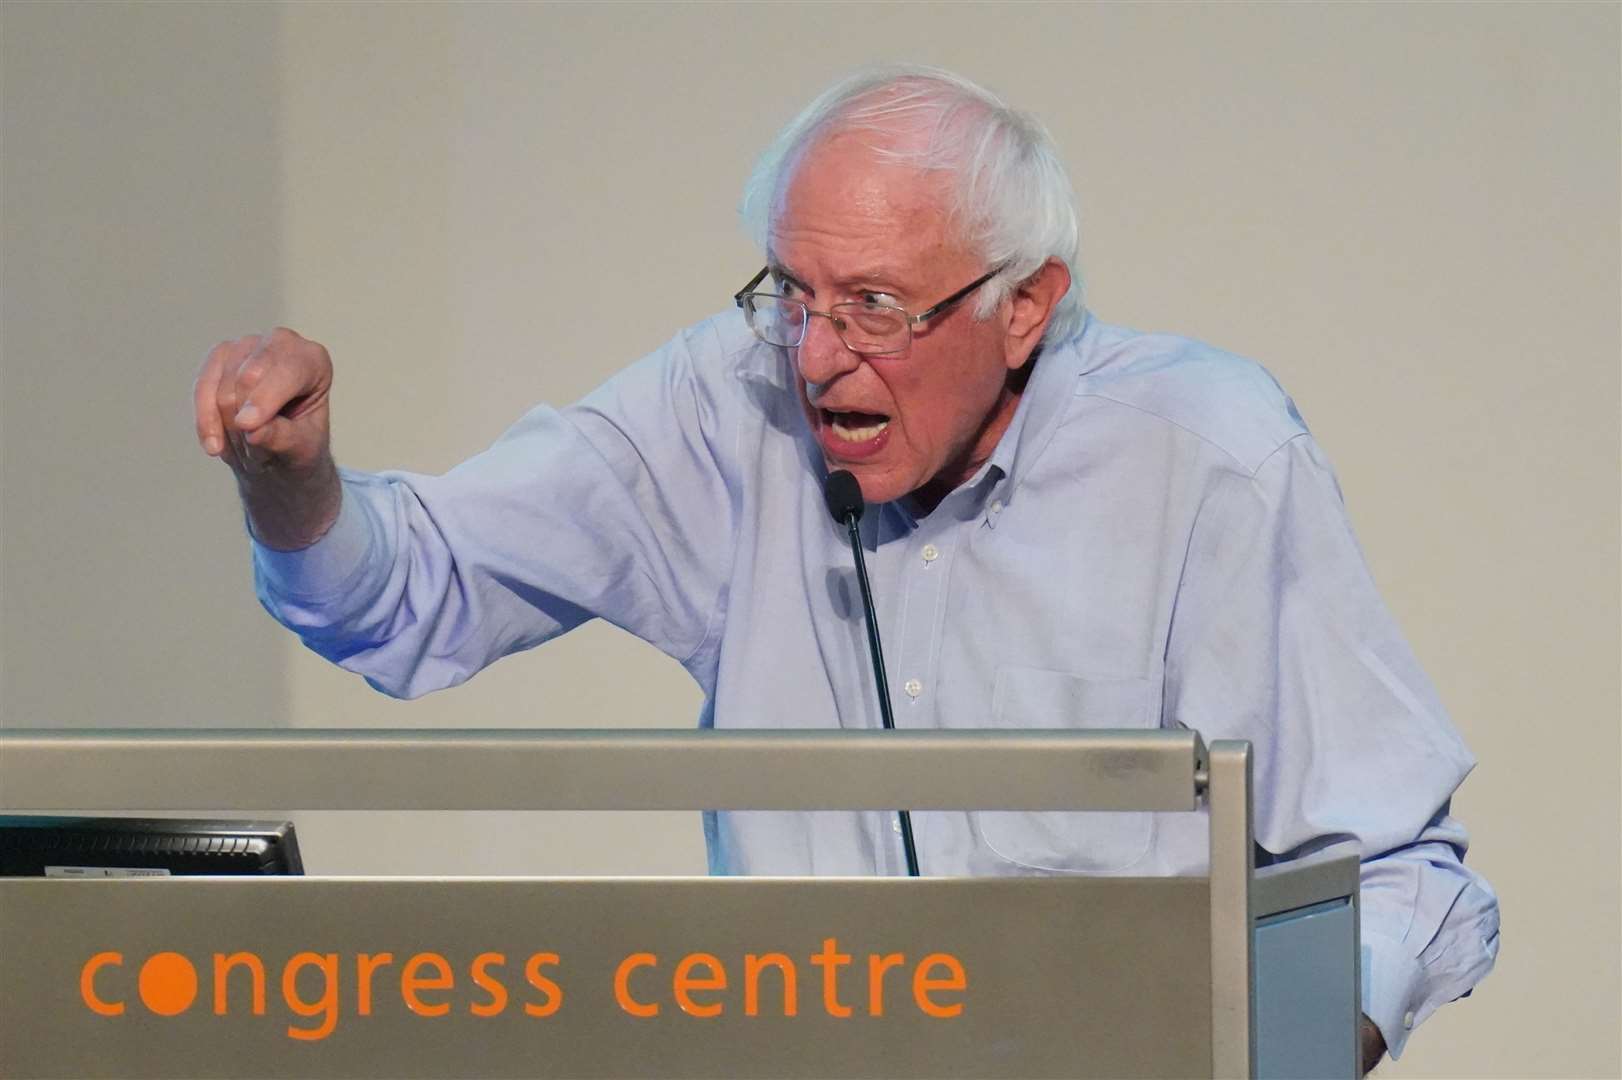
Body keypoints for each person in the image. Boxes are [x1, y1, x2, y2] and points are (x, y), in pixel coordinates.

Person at [193, 65, 1497, 1068]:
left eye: (875, 306)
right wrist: (288, 476)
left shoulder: (1206, 455)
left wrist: (1276, 1064)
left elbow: (1390, 876)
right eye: (794, 294)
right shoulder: (730, 401)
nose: (816, 357)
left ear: (1024, 305)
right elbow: (406, 597)